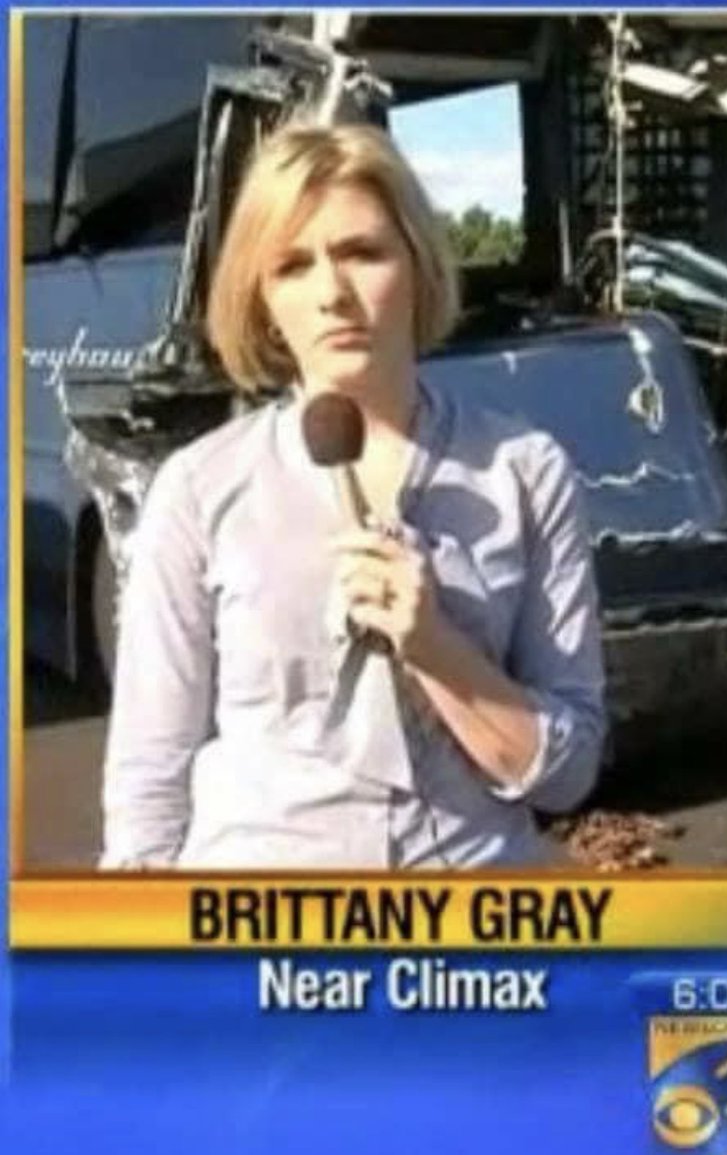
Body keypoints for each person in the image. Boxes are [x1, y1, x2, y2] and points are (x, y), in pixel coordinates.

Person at [99, 121, 606, 870]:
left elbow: (569, 776)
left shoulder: (525, 472)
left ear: (418, 265)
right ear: (262, 300)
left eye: (362, 253)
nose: (332, 294)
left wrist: (437, 648)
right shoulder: (199, 489)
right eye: (292, 266)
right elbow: (148, 779)